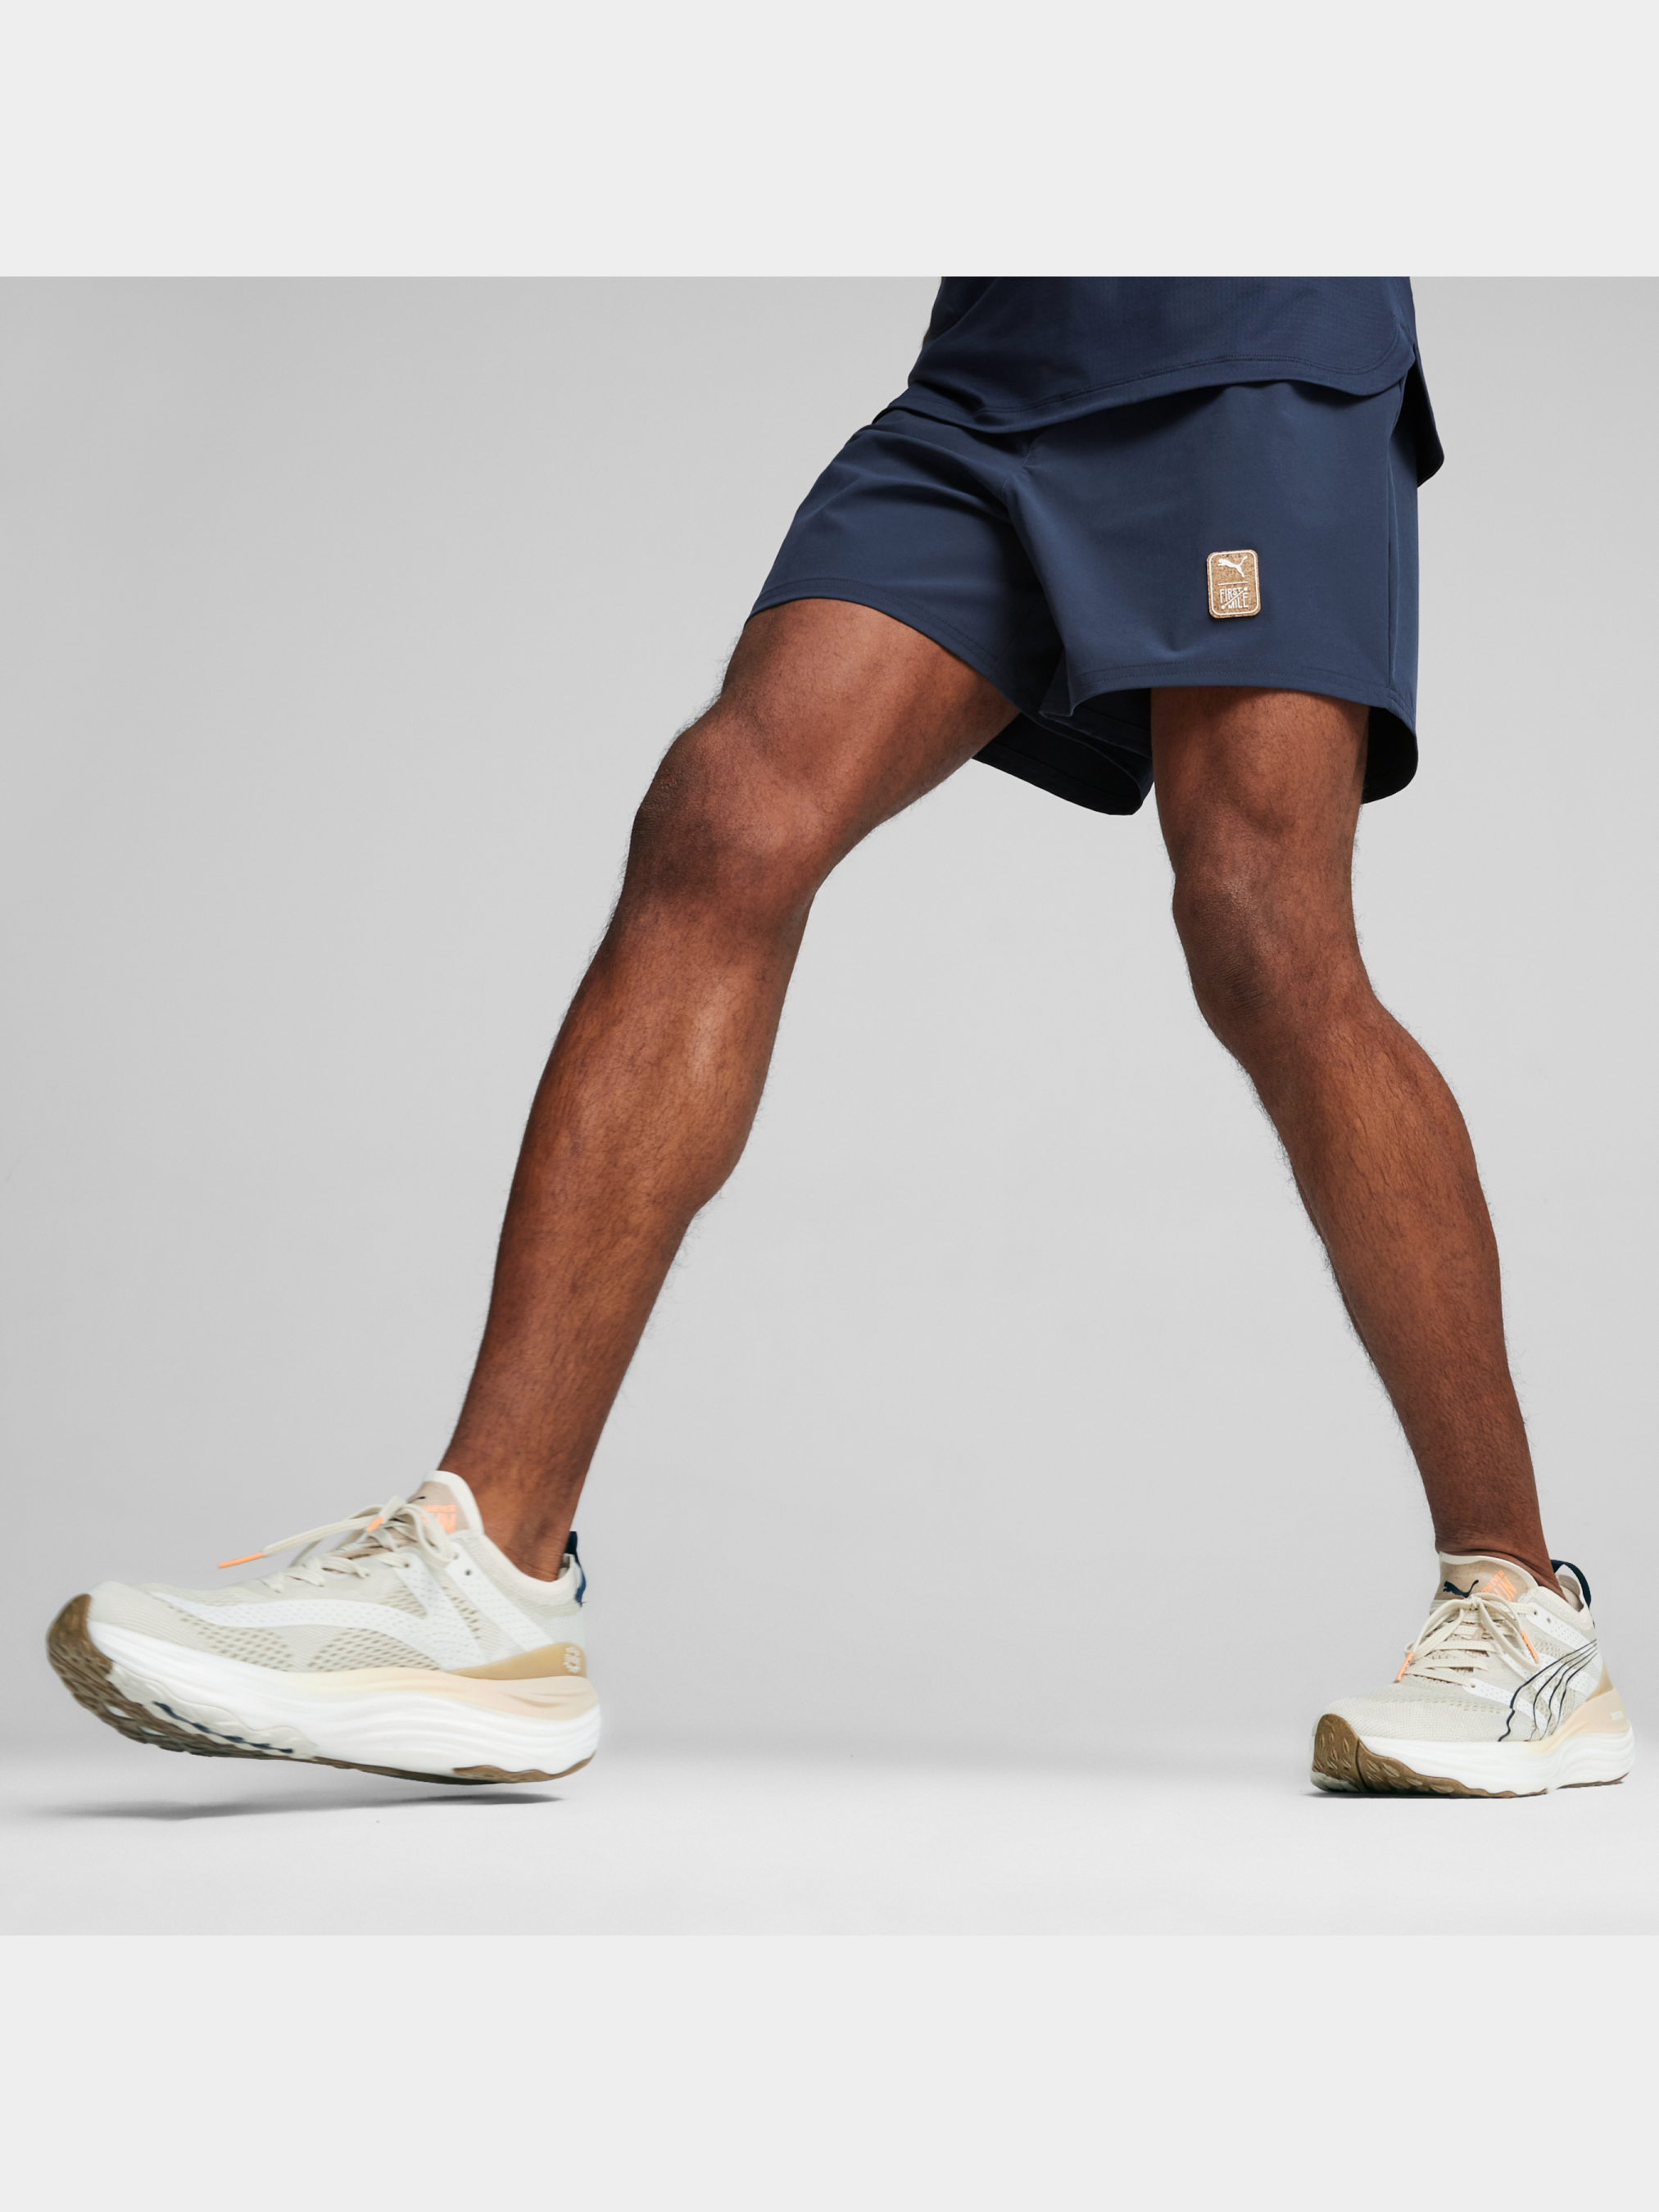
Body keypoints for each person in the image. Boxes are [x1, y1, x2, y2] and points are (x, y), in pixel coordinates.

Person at [48, 279, 1634, 1798]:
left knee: (1264, 931)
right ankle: (488, 1579)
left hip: (1251, 343)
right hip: (999, 368)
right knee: (726, 818)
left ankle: (1520, 1608)